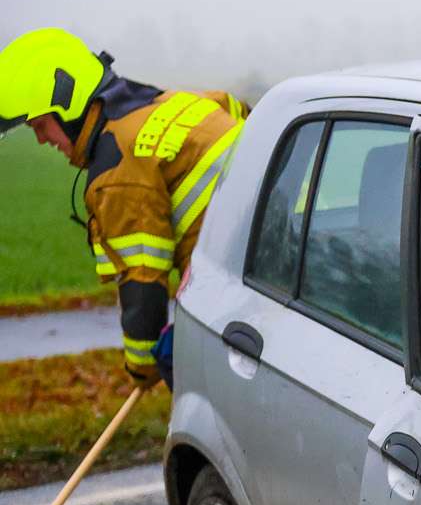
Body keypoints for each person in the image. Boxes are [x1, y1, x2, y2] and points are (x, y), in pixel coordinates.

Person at [0, 28, 245, 387]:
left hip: (243, 293)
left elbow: (142, 278)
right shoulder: (182, 103)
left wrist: (143, 366)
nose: (40, 140)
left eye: (40, 125)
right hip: (285, 264)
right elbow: (240, 110)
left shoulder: (117, 172)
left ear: (67, 104)